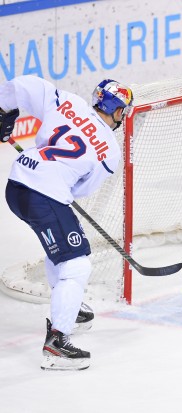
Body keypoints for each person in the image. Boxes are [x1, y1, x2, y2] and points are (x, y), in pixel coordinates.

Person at [0, 76, 133, 370]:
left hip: (17, 184)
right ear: (117, 111)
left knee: (62, 252)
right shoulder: (109, 150)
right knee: (77, 264)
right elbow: (81, 190)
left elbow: (24, 85)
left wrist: (3, 109)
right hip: (44, 195)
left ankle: (69, 309)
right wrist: (58, 185)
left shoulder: (69, 101)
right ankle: (58, 342)